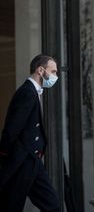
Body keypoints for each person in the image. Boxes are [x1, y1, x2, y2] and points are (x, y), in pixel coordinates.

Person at [0, 54, 60, 212]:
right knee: (13, 206)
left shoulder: (33, 92)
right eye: (53, 72)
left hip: (32, 160)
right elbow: (12, 129)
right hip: (24, 160)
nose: (55, 76)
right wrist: (6, 155)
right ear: (41, 70)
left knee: (52, 204)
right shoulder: (27, 92)